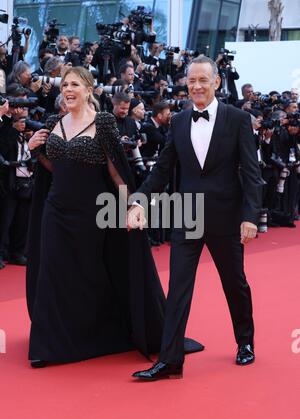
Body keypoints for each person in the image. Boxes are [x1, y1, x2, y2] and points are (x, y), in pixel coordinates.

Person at [26, 66, 203, 368]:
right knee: (52, 273)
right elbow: (58, 168)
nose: (67, 90)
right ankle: (49, 346)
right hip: (56, 211)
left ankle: (94, 334)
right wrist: (36, 152)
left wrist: (132, 207)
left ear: (89, 89)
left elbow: (116, 172)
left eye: (75, 85)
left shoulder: (104, 122)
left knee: (90, 275)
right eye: (64, 84)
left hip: (93, 213)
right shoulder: (54, 122)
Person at [128, 56, 264, 381]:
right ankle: (171, 360)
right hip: (187, 215)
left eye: (203, 80)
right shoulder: (178, 121)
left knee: (235, 283)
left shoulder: (238, 119)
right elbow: (162, 169)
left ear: (217, 82)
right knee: (178, 288)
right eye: (191, 81)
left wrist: (250, 216)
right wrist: (138, 201)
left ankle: (245, 341)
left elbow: (252, 171)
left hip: (226, 218)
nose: (197, 86)